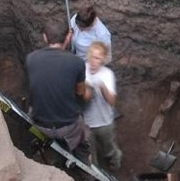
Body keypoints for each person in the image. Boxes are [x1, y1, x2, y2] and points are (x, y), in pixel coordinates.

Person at [26, 18, 91, 162]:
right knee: (83, 134)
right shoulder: (77, 63)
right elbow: (81, 92)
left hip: (40, 125)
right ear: (68, 37)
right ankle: (85, 167)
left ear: (44, 37)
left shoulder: (31, 59)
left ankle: (51, 158)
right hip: (67, 127)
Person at [83, 41, 122, 170]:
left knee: (108, 149)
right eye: (93, 57)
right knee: (89, 151)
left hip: (104, 122)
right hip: (86, 123)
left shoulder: (107, 74)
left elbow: (112, 101)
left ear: (103, 60)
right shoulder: (82, 69)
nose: (94, 61)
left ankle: (116, 160)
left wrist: (102, 87)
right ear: (88, 56)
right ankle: (94, 174)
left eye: (98, 58)